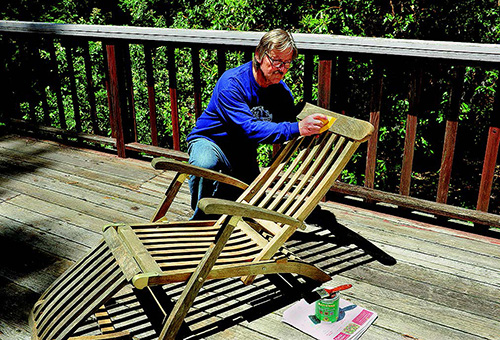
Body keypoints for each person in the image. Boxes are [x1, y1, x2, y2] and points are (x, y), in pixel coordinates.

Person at [186, 28, 327, 219]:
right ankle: (200, 220)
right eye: (276, 60)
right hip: (211, 141)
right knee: (205, 164)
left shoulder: (281, 92)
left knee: (244, 204)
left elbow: (289, 122)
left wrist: (312, 128)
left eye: (287, 63)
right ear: (259, 55)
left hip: (242, 151)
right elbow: (249, 128)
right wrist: (298, 128)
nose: (282, 68)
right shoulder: (232, 83)